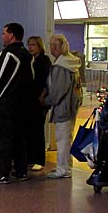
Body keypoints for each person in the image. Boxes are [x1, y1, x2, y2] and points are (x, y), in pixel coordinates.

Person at [0, 22, 33, 184]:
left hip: (6, 105)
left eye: (4, 33)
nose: (2, 36)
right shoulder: (27, 54)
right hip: (24, 106)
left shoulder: (8, 53)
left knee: (4, 140)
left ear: (12, 35)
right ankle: (21, 171)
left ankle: (2, 173)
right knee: (20, 139)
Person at [43, 34, 82, 179]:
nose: (51, 48)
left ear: (58, 47)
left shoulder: (61, 66)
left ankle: (62, 168)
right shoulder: (72, 63)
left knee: (62, 139)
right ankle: (66, 166)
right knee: (66, 138)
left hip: (63, 107)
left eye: (53, 45)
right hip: (72, 106)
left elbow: (57, 91)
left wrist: (46, 100)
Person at [26, 35, 52, 172]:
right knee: (30, 129)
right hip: (30, 99)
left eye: (33, 45)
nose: (30, 47)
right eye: (29, 45)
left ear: (40, 46)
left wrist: (42, 96)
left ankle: (39, 159)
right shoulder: (30, 60)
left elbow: (44, 81)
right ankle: (30, 157)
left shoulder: (44, 60)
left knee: (38, 130)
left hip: (39, 99)